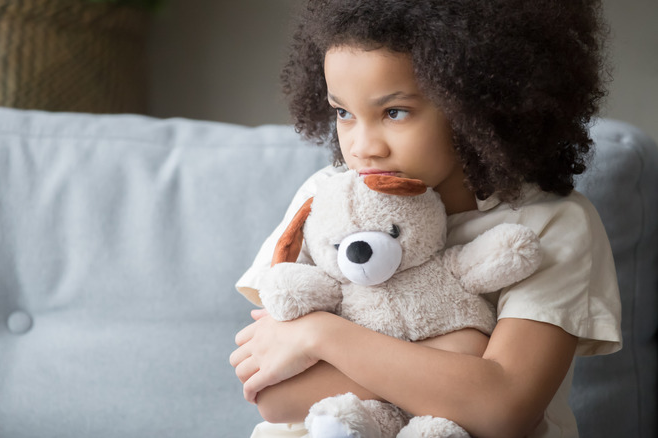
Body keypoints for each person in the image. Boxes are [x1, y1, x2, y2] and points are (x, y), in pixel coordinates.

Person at [229, 1, 622, 437]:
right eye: (343, 113)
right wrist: (462, 353)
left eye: (394, 112)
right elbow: (275, 397)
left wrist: (322, 336)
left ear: (476, 105)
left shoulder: (550, 225)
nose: (362, 147)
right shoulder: (325, 199)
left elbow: (503, 410)